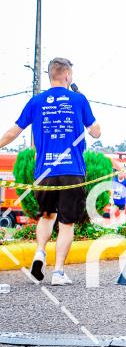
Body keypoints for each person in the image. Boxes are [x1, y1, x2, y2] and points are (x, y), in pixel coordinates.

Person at [0, 57, 101, 284]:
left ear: (50, 75)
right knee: (66, 223)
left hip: (45, 172)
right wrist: (93, 123)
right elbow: (96, 133)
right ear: (67, 75)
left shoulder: (36, 102)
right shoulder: (78, 99)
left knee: (47, 216)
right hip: (72, 171)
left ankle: (40, 252)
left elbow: (14, 131)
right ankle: (58, 272)